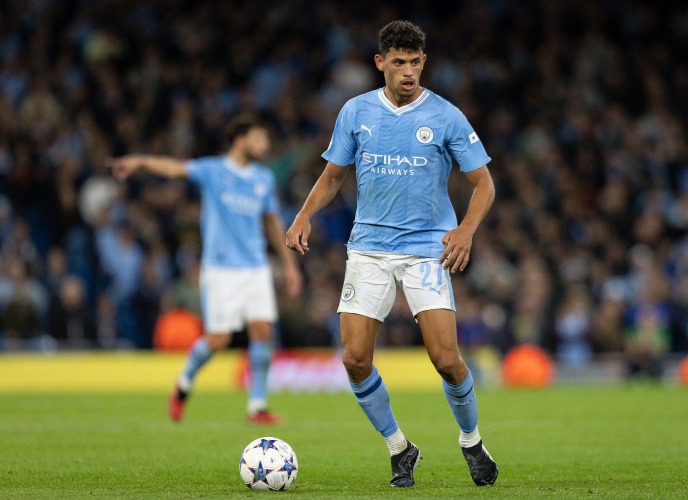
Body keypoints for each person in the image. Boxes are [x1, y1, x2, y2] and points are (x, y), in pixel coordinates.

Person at [286, 20, 498, 488]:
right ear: (380, 62)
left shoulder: (445, 116)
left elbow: (484, 184)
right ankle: (400, 448)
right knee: (354, 358)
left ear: (424, 62)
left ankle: (471, 440)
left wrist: (465, 229)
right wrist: (303, 215)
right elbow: (333, 176)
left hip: (426, 250)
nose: (408, 72)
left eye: (415, 62)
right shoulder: (356, 111)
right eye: (399, 62)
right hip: (369, 249)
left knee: (446, 359)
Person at [110, 114, 303, 424]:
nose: (265, 144)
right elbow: (174, 169)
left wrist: (290, 265)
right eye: (258, 138)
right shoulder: (213, 171)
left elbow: (272, 222)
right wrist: (141, 162)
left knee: (262, 332)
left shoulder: (263, 179)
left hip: (256, 267)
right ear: (239, 140)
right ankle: (183, 384)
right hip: (221, 269)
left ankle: (257, 406)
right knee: (218, 340)